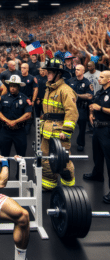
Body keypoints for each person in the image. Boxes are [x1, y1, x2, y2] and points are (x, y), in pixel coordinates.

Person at [40, 58, 78, 191]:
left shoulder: (65, 90)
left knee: (63, 162)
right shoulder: (49, 88)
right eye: (47, 71)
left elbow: (72, 112)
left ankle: (69, 187)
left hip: (60, 133)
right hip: (47, 131)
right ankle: (49, 185)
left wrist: (67, 131)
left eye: (50, 72)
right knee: (46, 159)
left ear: (58, 73)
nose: (47, 74)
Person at [0, 75, 32, 179]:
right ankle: (4, 177)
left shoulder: (25, 99)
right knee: (4, 156)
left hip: (19, 131)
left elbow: (28, 114)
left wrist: (15, 121)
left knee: (20, 156)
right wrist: (7, 121)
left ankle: (20, 176)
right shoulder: (3, 98)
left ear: (19, 87)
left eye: (15, 86)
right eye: (11, 86)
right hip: (5, 131)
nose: (12, 88)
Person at [83, 71, 110, 203]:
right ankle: (98, 174)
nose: (99, 79)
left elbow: (100, 107)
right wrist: (91, 113)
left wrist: (99, 109)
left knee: (109, 160)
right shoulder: (99, 92)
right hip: (97, 128)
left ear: (109, 80)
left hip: (107, 129)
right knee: (97, 154)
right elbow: (93, 104)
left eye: (102, 77)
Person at [67, 64, 93, 151]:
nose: (76, 71)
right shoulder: (70, 81)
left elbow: (90, 96)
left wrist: (77, 96)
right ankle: (66, 142)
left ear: (83, 71)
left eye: (78, 70)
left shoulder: (87, 83)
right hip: (71, 107)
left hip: (81, 108)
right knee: (68, 125)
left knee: (82, 127)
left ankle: (81, 143)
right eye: (76, 69)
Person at [19, 63, 38, 135]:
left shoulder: (32, 78)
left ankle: (27, 129)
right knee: (19, 114)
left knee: (29, 115)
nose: (22, 69)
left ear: (27, 69)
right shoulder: (18, 77)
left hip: (28, 99)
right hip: (20, 99)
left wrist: (33, 100)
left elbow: (35, 89)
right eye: (21, 68)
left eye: (24, 68)